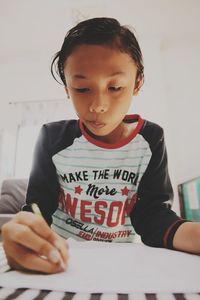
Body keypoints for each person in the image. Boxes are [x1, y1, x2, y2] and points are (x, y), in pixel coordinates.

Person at [2, 17, 200, 274]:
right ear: (66, 88)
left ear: (137, 83)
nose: (98, 105)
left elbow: (154, 218)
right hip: (60, 264)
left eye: (115, 87)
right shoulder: (52, 137)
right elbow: (37, 208)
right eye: (82, 88)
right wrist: (24, 232)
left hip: (122, 266)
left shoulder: (150, 139)